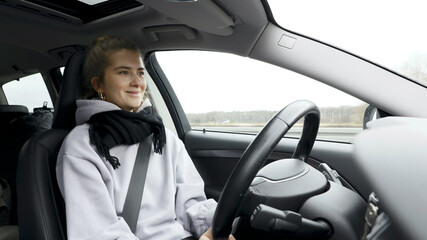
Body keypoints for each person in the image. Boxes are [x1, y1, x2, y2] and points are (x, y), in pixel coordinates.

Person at [56, 36, 235, 240]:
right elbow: (99, 233)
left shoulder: (162, 136)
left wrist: (216, 229)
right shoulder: (81, 146)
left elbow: (191, 203)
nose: (137, 82)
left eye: (140, 73)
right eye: (124, 72)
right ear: (99, 85)